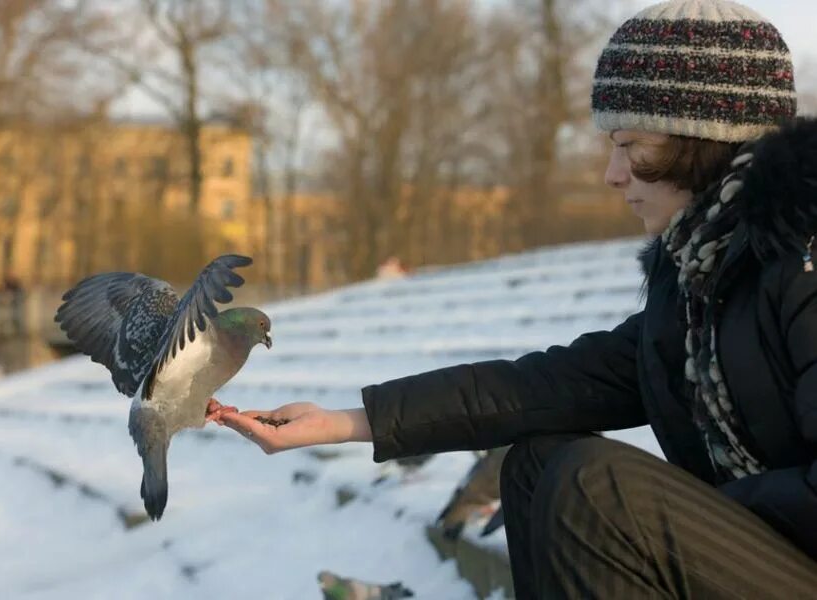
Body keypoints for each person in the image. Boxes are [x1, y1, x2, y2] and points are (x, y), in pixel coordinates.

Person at [212, 1, 817, 597]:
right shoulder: (699, 282)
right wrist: (348, 422)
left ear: (703, 139)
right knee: (537, 463)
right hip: (768, 553)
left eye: (631, 145)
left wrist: (709, 514)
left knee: (595, 485)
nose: (611, 173)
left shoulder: (801, 263)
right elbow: (549, 386)